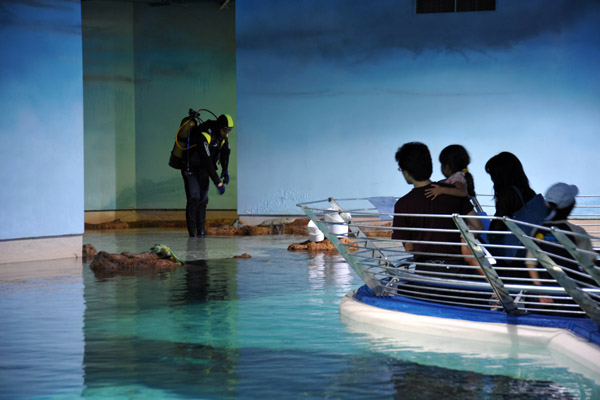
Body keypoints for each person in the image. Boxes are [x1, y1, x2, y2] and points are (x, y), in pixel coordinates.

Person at [392, 142, 483, 273]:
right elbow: (477, 226)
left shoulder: (403, 205)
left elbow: (409, 247)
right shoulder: (452, 192)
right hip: (459, 270)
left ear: (406, 172)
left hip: (426, 273)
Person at [525, 183, 596, 303]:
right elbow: (588, 266)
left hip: (546, 293)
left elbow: (530, 263)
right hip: (572, 294)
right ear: (572, 205)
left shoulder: (538, 230)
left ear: (545, 204)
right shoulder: (577, 232)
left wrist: (540, 291)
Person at [180, 112, 234, 237]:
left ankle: (201, 231)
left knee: (203, 199)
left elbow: (225, 152)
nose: (227, 133)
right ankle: (192, 233)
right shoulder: (204, 132)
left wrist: (225, 170)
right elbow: (206, 159)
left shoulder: (222, 136)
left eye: (229, 131)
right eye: (225, 130)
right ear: (220, 126)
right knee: (194, 197)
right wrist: (217, 182)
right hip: (191, 168)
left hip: (203, 169)